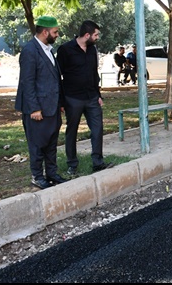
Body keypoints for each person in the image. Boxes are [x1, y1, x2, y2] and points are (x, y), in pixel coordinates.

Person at [15, 15, 68, 189]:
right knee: (37, 144)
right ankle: (37, 176)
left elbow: (53, 80)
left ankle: (51, 174)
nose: (57, 34)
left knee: (51, 143)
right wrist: (34, 108)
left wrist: (59, 103)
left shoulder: (48, 49)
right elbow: (27, 82)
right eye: (55, 31)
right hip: (38, 110)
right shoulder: (30, 51)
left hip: (51, 107)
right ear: (45, 32)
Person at [56, 20, 114, 175]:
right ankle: (72, 164)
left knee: (97, 129)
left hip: (91, 98)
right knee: (72, 130)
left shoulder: (92, 49)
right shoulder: (65, 50)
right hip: (72, 98)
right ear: (87, 35)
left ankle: (97, 162)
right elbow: (57, 76)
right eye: (95, 35)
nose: (97, 38)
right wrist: (61, 101)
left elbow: (94, 74)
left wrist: (98, 94)